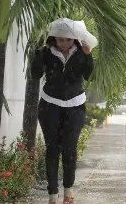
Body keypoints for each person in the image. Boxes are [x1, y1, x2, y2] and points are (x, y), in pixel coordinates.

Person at [31, 19, 97, 204]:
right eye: (60, 40)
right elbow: (35, 75)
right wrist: (38, 56)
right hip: (50, 105)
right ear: (54, 39)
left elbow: (89, 75)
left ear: (74, 39)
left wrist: (88, 55)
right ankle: (52, 195)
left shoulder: (81, 53)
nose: (64, 44)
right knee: (52, 149)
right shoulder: (46, 53)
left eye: (68, 40)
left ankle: (68, 191)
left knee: (69, 149)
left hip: (75, 105)